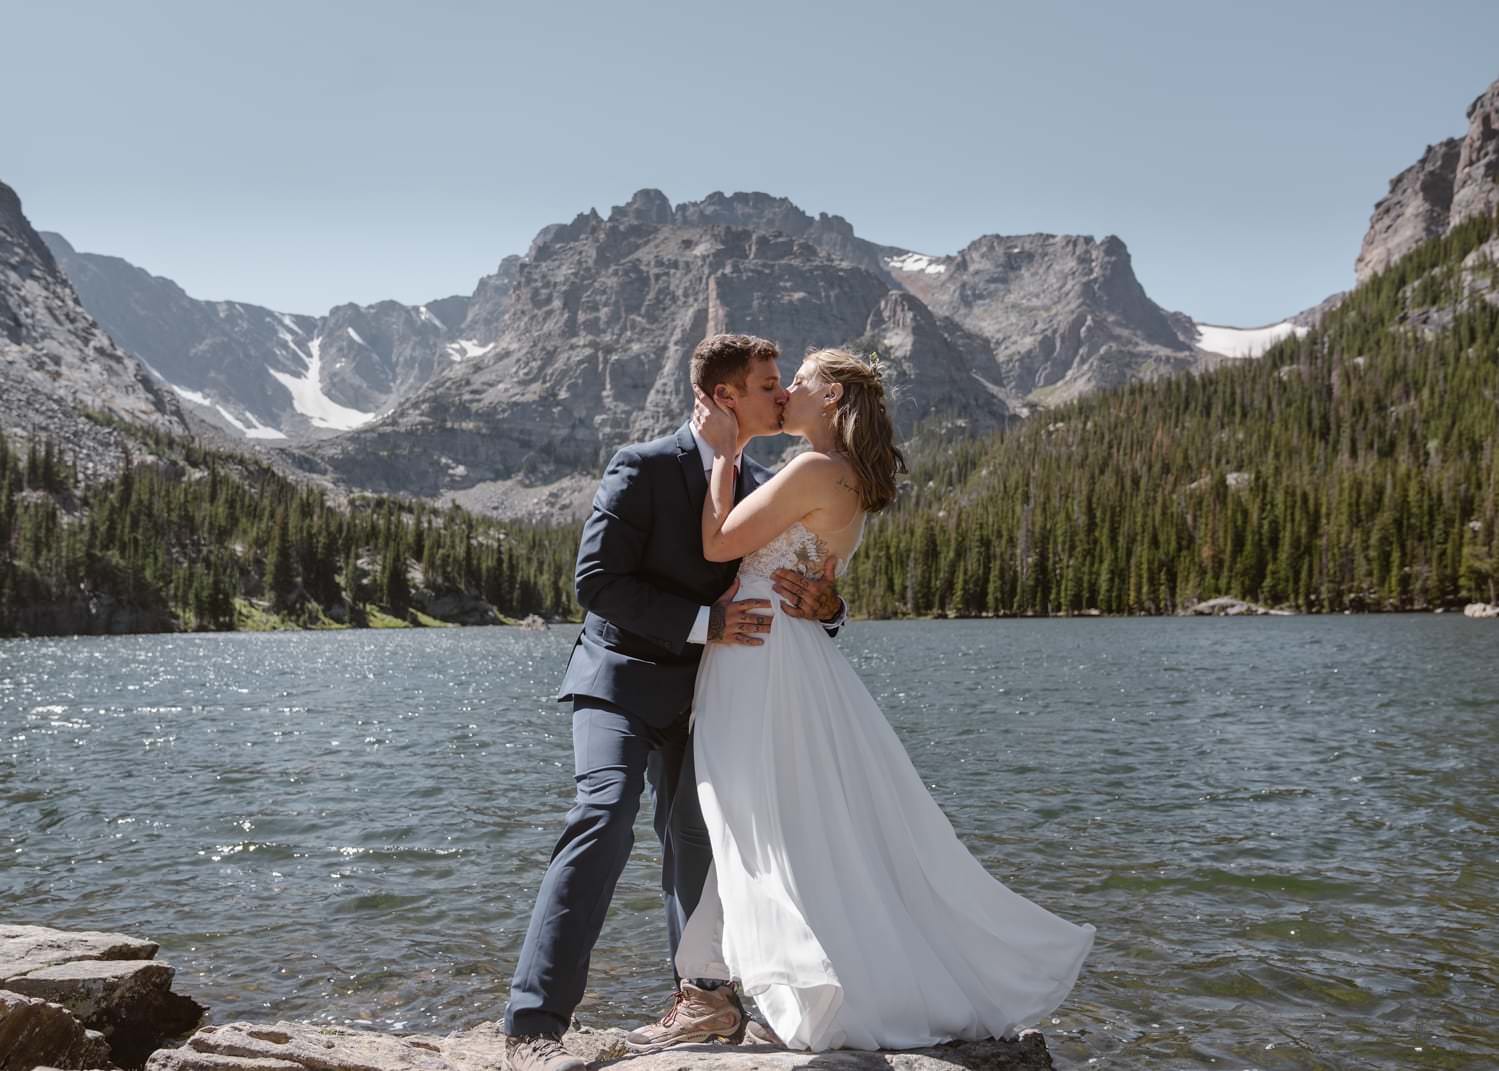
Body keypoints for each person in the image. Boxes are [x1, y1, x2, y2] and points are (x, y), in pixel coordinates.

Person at [673, 348, 1096, 1051]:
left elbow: (719, 543)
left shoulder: (811, 468)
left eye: (798, 384)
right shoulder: (850, 477)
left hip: (757, 656)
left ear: (831, 394)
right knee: (792, 821)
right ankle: (741, 976)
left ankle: (765, 978)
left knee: (751, 817)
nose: (785, 396)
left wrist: (725, 450)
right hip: (793, 656)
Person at [503, 334, 848, 1071]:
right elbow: (596, 581)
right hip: (619, 682)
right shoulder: (643, 464)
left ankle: (706, 1005)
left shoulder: (760, 477)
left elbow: (784, 582)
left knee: (700, 842)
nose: (781, 396)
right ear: (726, 396)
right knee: (603, 814)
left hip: (705, 695)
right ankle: (533, 1025)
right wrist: (706, 623)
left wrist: (827, 605)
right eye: (767, 385)